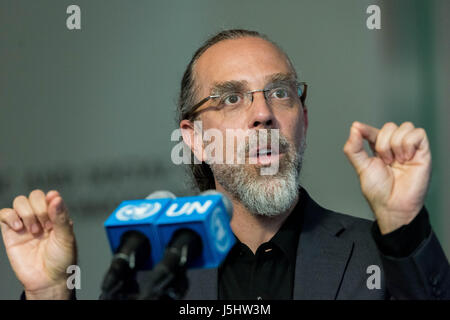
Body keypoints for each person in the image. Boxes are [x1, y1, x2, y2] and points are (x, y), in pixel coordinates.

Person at [0, 29, 448, 300]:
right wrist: (49, 291)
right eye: (232, 98)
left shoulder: (378, 256)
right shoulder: (148, 275)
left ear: (302, 121)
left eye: (280, 92)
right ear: (195, 139)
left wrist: (402, 224)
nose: (263, 113)